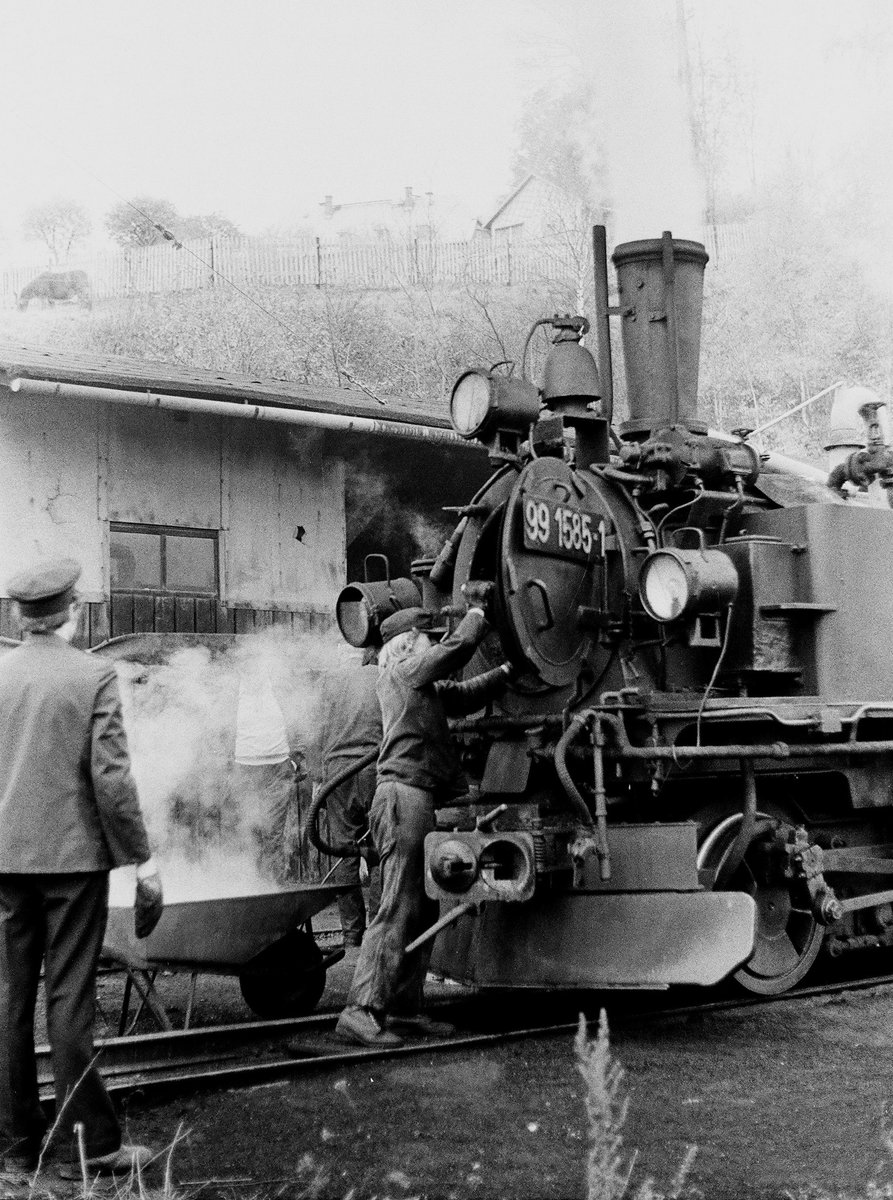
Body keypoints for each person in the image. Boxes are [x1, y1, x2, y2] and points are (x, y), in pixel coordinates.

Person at [0, 558, 164, 1179]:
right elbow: (112, 779)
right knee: (68, 998)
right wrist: (141, 862)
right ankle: (85, 1148)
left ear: (20, 614)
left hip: (5, 862)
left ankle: (14, 1151)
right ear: (70, 610)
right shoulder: (94, 676)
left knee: (8, 997)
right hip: (72, 865)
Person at [335, 586, 511, 1048]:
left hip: (418, 798)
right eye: (428, 637)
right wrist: (476, 612)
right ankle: (360, 1009)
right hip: (401, 798)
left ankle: (405, 1008)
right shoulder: (400, 672)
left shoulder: (422, 685)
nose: (435, 641)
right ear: (409, 642)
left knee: (424, 905)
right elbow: (457, 651)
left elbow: (464, 692)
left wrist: (510, 670)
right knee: (396, 905)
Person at [310, 646, 382, 950]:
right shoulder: (385, 677)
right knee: (381, 851)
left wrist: (319, 781)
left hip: (337, 773)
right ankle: (380, 928)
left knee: (344, 854)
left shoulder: (331, 683)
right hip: (374, 767)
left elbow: (317, 731)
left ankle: (352, 936)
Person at [233, 655, 297, 882]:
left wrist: (296, 759)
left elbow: (298, 718)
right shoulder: (232, 691)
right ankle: (250, 889)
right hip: (245, 769)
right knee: (248, 832)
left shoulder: (279, 687)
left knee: (274, 835)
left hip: (278, 768)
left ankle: (273, 892)